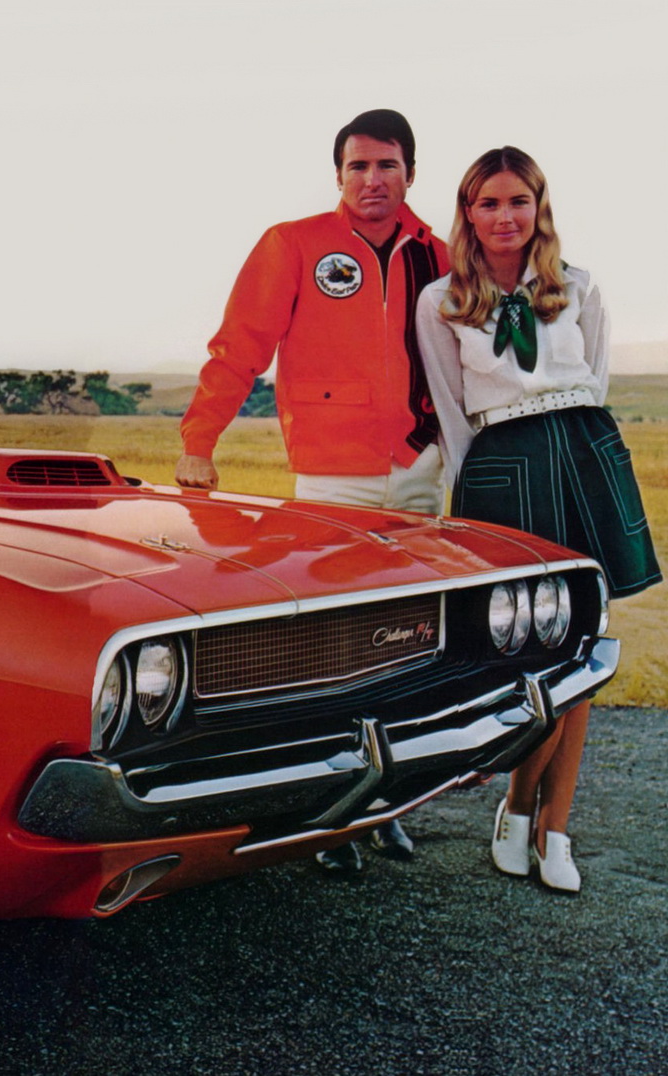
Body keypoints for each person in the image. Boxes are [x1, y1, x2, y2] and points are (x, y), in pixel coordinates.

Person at [177, 108, 451, 874]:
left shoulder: (438, 254)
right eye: (359, 166)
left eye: (387, 166)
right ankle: (323, 816)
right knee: (334, 650)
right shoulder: (295, 244)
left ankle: (386, 801)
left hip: (420, 472)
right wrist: (199, 441)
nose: (373, 180)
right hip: (335, 478)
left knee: (411, 643)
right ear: (338, 175)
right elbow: (240, 347)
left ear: (410, 173)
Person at [415, 146, 659, 893]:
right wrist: (475, 497)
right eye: (487, 203)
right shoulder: (443, 300)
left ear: (538, 206)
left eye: (518, 201)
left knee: (584, 640)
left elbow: (597, 376)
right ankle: (516, 807)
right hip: (502, 461)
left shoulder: (577, 287)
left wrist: (576, 446)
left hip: (582, 448)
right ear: (468, 212)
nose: (504, 217)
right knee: (531, 646)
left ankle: (553, 828)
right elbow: (454, 408)